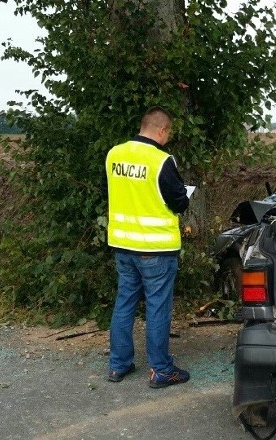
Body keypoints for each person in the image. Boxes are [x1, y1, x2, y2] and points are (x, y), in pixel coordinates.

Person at [105, 106, 190, 388]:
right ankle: (161, 370)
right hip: (156, 249)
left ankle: (118, 365)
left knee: (125, 302)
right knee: (157, 307)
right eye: (169, 133)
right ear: (162, 130)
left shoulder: (114, 154)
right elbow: (179, 201)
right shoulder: (161, 161)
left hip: (122, 245)